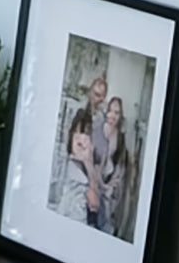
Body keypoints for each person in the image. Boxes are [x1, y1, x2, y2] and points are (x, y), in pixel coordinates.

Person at [55, 108, 101, 225]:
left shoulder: (92, 165)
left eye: (86, 134)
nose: (81, 139)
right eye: (77, 133)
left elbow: (94, 203)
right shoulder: (64, 163)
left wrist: (88, 161)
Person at [97, 96, 129, 236]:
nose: (112, 116)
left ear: (120, 115)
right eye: (110, 111)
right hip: (95, 178)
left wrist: (112, 183)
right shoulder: (98, 130)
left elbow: (120, 165)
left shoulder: (121, 137)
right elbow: (94, 161)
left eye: (117, 112)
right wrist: (100, 184)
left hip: (109, 183)